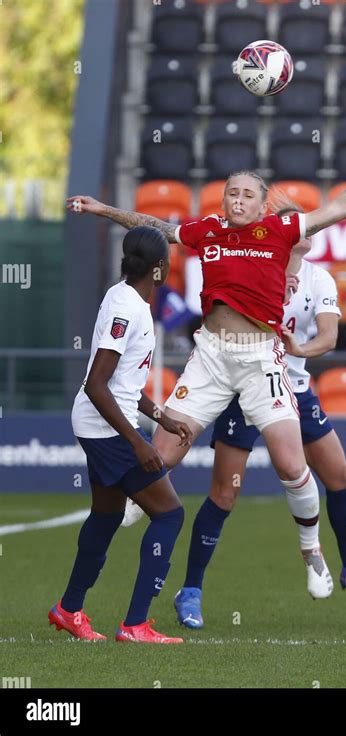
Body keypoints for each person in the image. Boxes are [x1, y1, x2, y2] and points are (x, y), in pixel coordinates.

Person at [67, 137, 346, 609]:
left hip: (261, 360)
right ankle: (132, 508)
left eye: (246, 195)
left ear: (261, 206)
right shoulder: (208, 231)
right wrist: (103, 209)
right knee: (164, 451)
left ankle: (312, 552)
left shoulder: (281, 231)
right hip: (212, 357)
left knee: (292, 465)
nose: (236, 200)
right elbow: (154, 226)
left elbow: (343, 205)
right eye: (230, 193)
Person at [172, 201, 346, 628]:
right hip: (242, 388)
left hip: (293, 389)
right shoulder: (251, 261)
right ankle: (191, 590)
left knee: (340, 477)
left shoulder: (320, 278)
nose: (305, 232)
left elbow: (328, 336)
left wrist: (300, 350)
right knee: (224, 494)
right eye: (296, 226)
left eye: (308, 227)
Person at [48, 226, 192, 644]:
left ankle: (69, 610)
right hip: (104, 427)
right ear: (160, 269)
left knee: (108, 515)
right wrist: (137, 441)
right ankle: (135, 625)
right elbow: (97, 384)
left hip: (101, 422)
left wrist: (159, 416)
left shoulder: (123, 297)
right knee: (169, 514)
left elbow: (123, 382)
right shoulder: (128, 308)